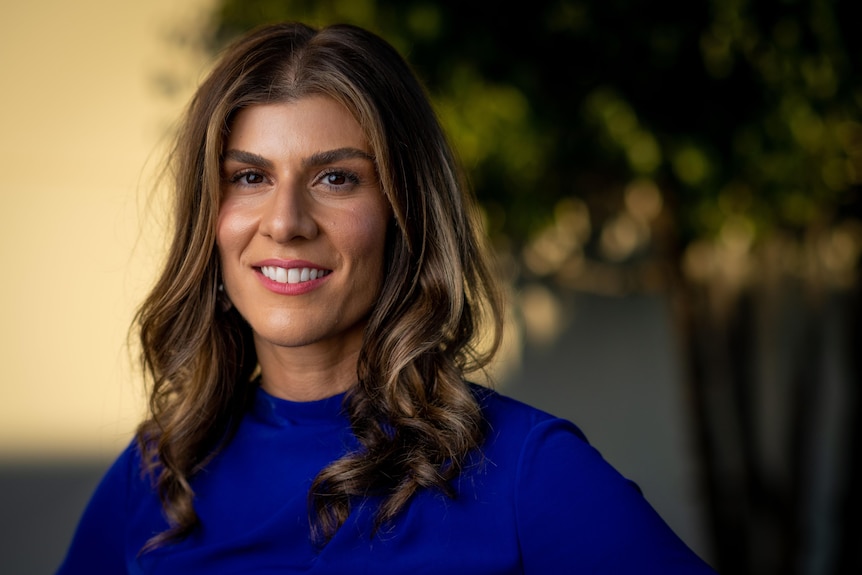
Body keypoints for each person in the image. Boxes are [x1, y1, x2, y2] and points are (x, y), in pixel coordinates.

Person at [56, 21, 718, 574]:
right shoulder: (156, 475)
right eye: (250, 176)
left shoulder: (526, 468)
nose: (286, 221)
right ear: (211, 218)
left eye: (337, 177)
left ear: (404, 214)